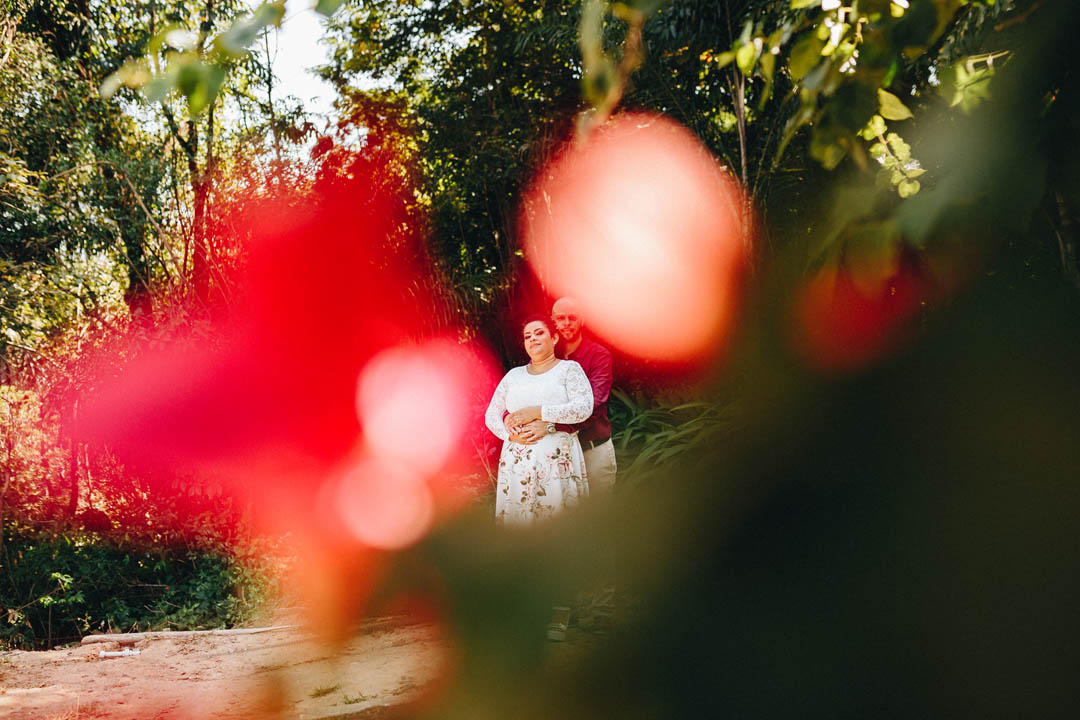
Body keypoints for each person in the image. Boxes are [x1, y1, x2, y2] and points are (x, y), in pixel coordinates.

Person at [484, 315, 594, 526]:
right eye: (527, 336)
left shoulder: (569, 369)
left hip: (556, 461)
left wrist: (539, 412)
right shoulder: (514, 376)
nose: (532, 338)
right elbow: (491, 415)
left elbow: (583, 408)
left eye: (539, 333)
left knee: (558, 521)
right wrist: (509, 436)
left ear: (554, 338)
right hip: (517, 464)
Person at [509, 297, 617, 496]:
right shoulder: (544, 355)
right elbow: (526, 397)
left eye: (572, 318)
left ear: (582, 320)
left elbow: (592, 405)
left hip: (592, 450)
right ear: (553, 321)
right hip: (556, 454)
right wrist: (512, 423)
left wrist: (551, 426)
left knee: (599, 512)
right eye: (560, 318)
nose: (566, 323)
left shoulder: (598, 355)